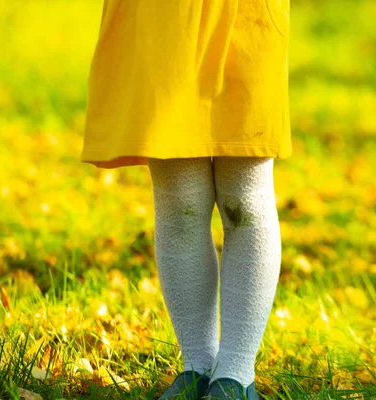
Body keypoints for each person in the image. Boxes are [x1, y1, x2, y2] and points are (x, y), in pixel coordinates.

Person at [81, 0, 291, 398]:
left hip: (246, 14)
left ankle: (235, 374)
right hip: (158, 16)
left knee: (243, 197)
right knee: (181, 199)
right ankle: (197, 365)